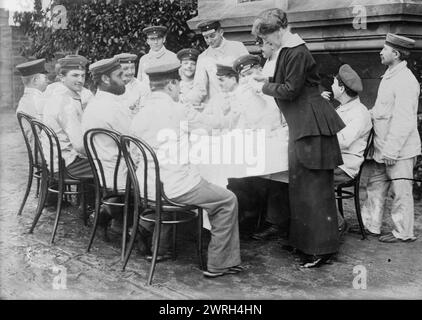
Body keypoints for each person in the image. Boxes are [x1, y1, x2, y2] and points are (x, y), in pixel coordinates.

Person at [252, 8, 345, 268]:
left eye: (268, 37)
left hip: (311, 125)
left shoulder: (296, 51)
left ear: (280, 30)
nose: (266, 43)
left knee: (314, 190)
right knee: (301, 187)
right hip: (304, 125)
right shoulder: (290, 50)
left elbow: (291, 90)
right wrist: (266, 78)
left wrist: (262, 86)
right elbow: (289, 82)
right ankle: (306, 243)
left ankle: (321, 249)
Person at [131, 61, 243, 278]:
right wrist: (234, 112)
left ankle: (159, 247)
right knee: (227, 200)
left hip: (146, 187)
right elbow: (215, 124)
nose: (180, 90)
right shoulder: (178, 110)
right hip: (175, 188)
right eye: (179, 86)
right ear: (172, 85)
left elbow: (136, 152)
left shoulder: (139, 114)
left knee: (180, 176)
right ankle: (219, 264)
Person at [360, 33, 421, 243]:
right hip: (383, 148)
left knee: (400, 190)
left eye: (384, 49)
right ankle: (371, 225)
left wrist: (392, 152)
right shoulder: (389, 76)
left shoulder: (405, 81)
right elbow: (380, 111)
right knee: (375, 186)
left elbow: (404, 121)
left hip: (398, 151)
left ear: (395, 54)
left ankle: (403, 232)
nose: (380, 52)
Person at [321, 64, 372, 235]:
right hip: (332, 160)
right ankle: (315, 228)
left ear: (341, 88)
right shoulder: (342, 108)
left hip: (345, 166)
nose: (332, 87)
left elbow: (342, 141)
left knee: (311, 181)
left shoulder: (359, 113)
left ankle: (338, 224)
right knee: (303, 174)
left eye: (335, 84)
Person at [42, 55, 92, 178]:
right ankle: (102, 197)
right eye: (75, 75)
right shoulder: (66, 103)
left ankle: (88, 197)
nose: (80, 80)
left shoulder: (56, 92)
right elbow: (79, 146)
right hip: (65, 165)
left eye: (83, 75)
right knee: (113, 163)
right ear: (62, 77)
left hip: (56, 158)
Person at [186, 20, 248, 106]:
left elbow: (248, 74)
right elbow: (200, 87)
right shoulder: (203, 57)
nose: (209, 41)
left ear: (221, 32)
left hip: (241, 102)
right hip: (220, 107)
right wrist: (188, 102)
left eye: (212, 36)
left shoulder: (237, 47)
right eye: (206, 37)